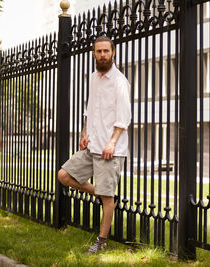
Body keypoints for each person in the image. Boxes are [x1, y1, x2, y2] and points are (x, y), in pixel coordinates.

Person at [57, 36, 131, 254]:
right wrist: (84, 132)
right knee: (64, 175)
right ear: (93, 54)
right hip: (92, 145)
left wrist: (112, 142)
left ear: (113, 53)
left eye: (106, 51)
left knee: (108, 197)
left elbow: (123, 118)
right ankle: (101, 194)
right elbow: (90, 109)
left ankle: (102, 241)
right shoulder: (92, 78)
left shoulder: (120, 82)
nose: (102, 55)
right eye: (98, 51)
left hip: (110, 150)